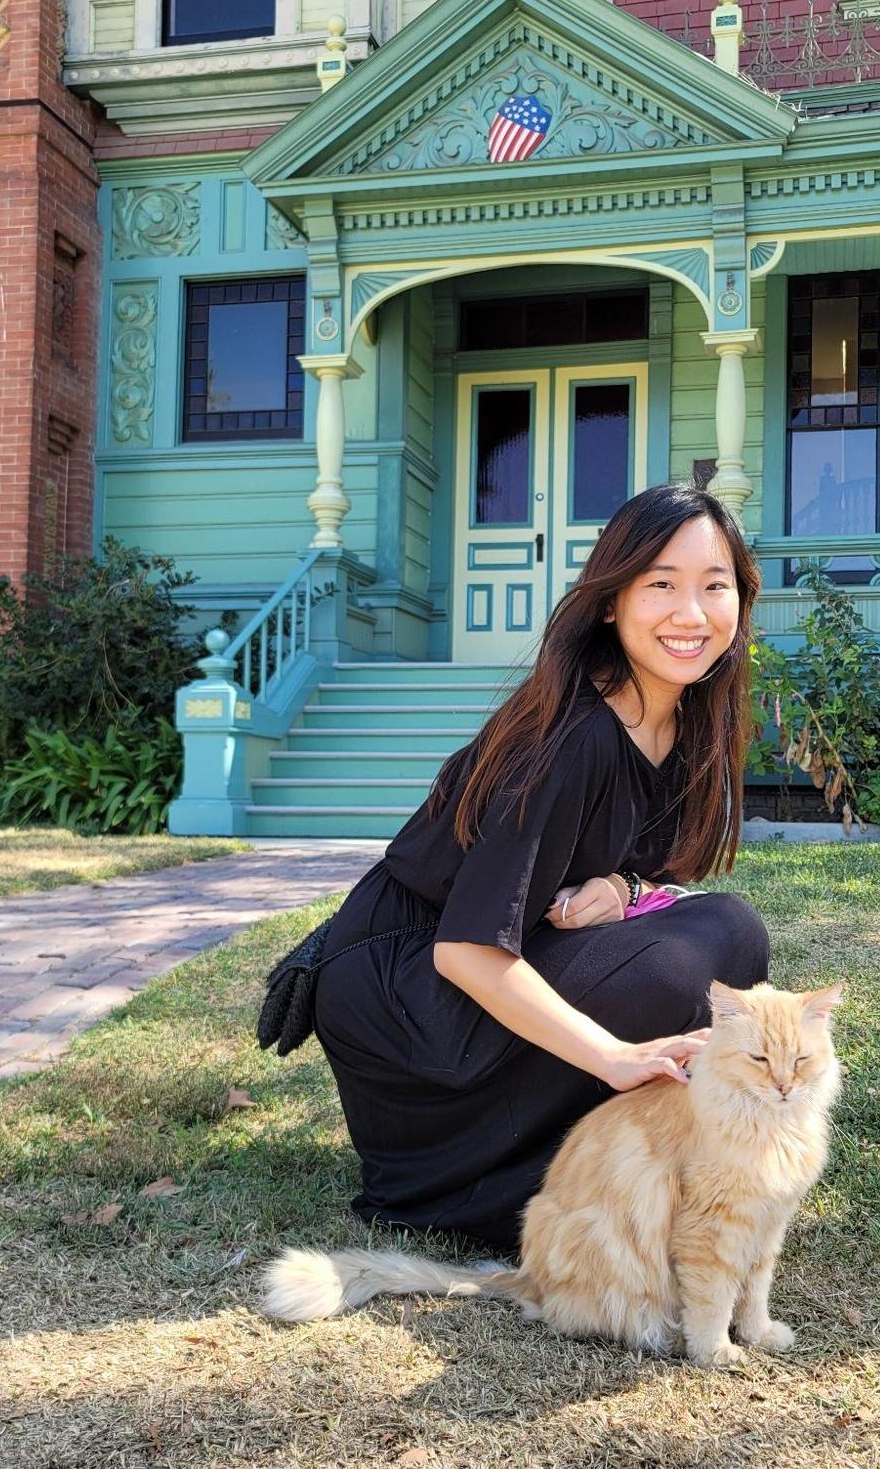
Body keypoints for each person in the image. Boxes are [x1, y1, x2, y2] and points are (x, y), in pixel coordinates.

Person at [309, 483, 772, 1252]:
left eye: (714, 586)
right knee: (671, 969)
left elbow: (647, 862)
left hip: (495, 957)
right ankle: (505, 1181)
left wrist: (620, 886)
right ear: (610, 602)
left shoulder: (682, 714)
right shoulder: (572, 738)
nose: (692, 614)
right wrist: (615, 1057)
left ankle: (643, 1157)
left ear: (741, 600)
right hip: (407, 998)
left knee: (729, 931)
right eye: (661, 584)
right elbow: (466, 950)